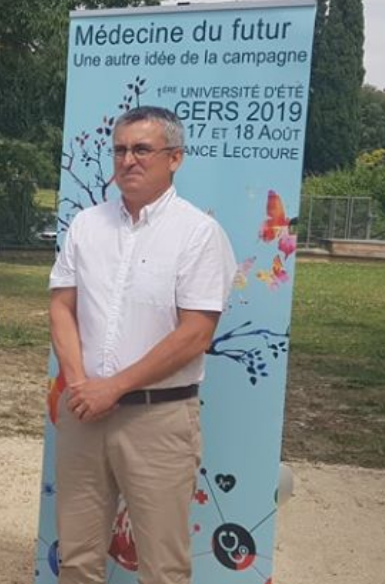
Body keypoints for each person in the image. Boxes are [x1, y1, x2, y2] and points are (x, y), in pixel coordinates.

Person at [49, 106, 236, 584]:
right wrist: (80, 382)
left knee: (162, 568)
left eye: (141, 149)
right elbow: (62, 307)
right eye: (119, 150)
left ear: (175, 158)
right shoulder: (86, 225)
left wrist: (113, 387)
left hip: (158, 419)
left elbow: (195, 334)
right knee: (77, 559)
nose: (127, 160)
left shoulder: (198, 234)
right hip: (84, 411)